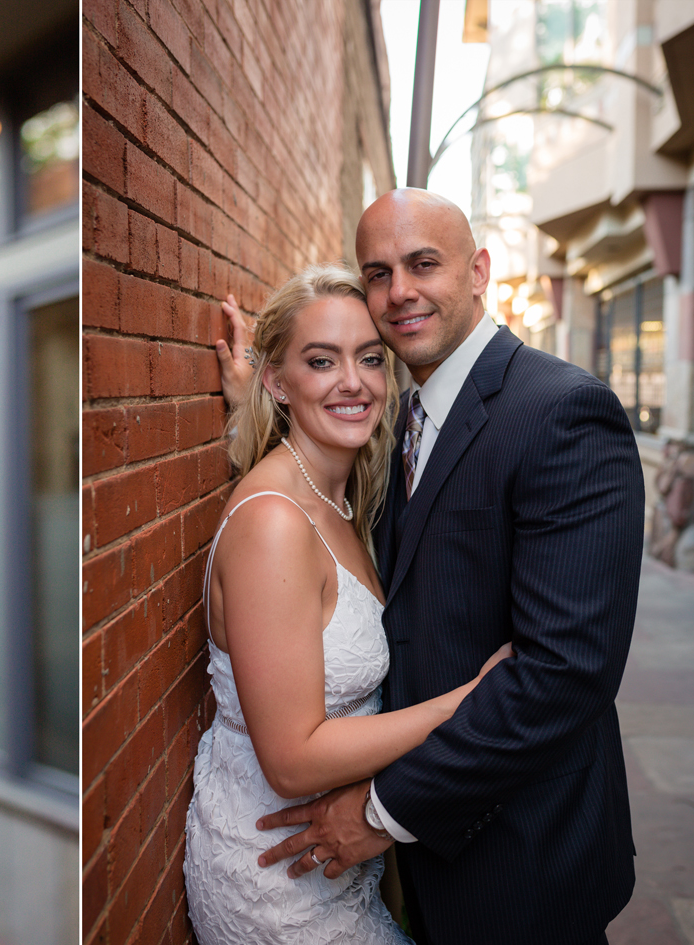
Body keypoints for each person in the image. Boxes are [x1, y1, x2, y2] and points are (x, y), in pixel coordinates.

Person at [216, 189, 640, 943]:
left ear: (478, 271)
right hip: (381, 866)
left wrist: (383, 810)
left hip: (520, 855)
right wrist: (267, 403)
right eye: (377, 273)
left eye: (423, 264)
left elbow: (565, 670)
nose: (399, 291)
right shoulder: (391, 430)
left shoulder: (562, 411)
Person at [184, 263, 509, 943]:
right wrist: (469, 698)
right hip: (277, 881)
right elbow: (293, 760)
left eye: (368, 358)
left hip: (337, 871)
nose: (353, 381)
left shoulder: (342, 495)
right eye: (320, 360)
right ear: (279, 378)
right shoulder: (274, 524)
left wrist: (255, 403)